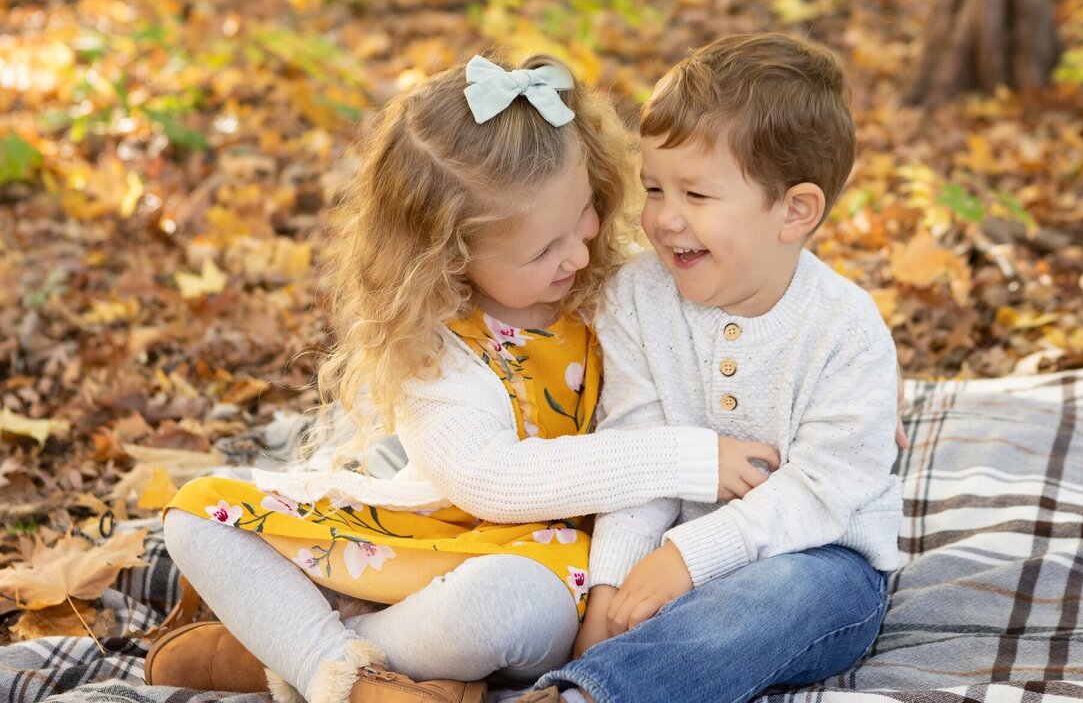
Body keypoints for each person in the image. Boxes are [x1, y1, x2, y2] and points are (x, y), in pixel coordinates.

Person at [147, 54, 780, 703]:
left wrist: (612, 587)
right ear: (449, 256)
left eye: (586, 212)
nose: (582, 251)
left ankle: (285, 656)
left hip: (551, 576)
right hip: (426, 543)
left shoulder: (616, 299)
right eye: (544, 249)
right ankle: (351, 678)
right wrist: (687, 459)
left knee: (503, 605)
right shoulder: (438, 349)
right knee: (197, 513)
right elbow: (492, 482)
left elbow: (646, 445)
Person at [517, 33, 904, 703]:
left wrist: (688, 560)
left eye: (696, 194)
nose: (664, 219)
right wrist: (610, 590)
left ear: (795, 210)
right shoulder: (637, 299)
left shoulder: (846, 329)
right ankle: (612, 664)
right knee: (573, 596)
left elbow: (820, 493)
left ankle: (592, 696)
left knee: (771, 600)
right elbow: (637, 454)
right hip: (669, 557)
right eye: (655, 188)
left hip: (817, 563)